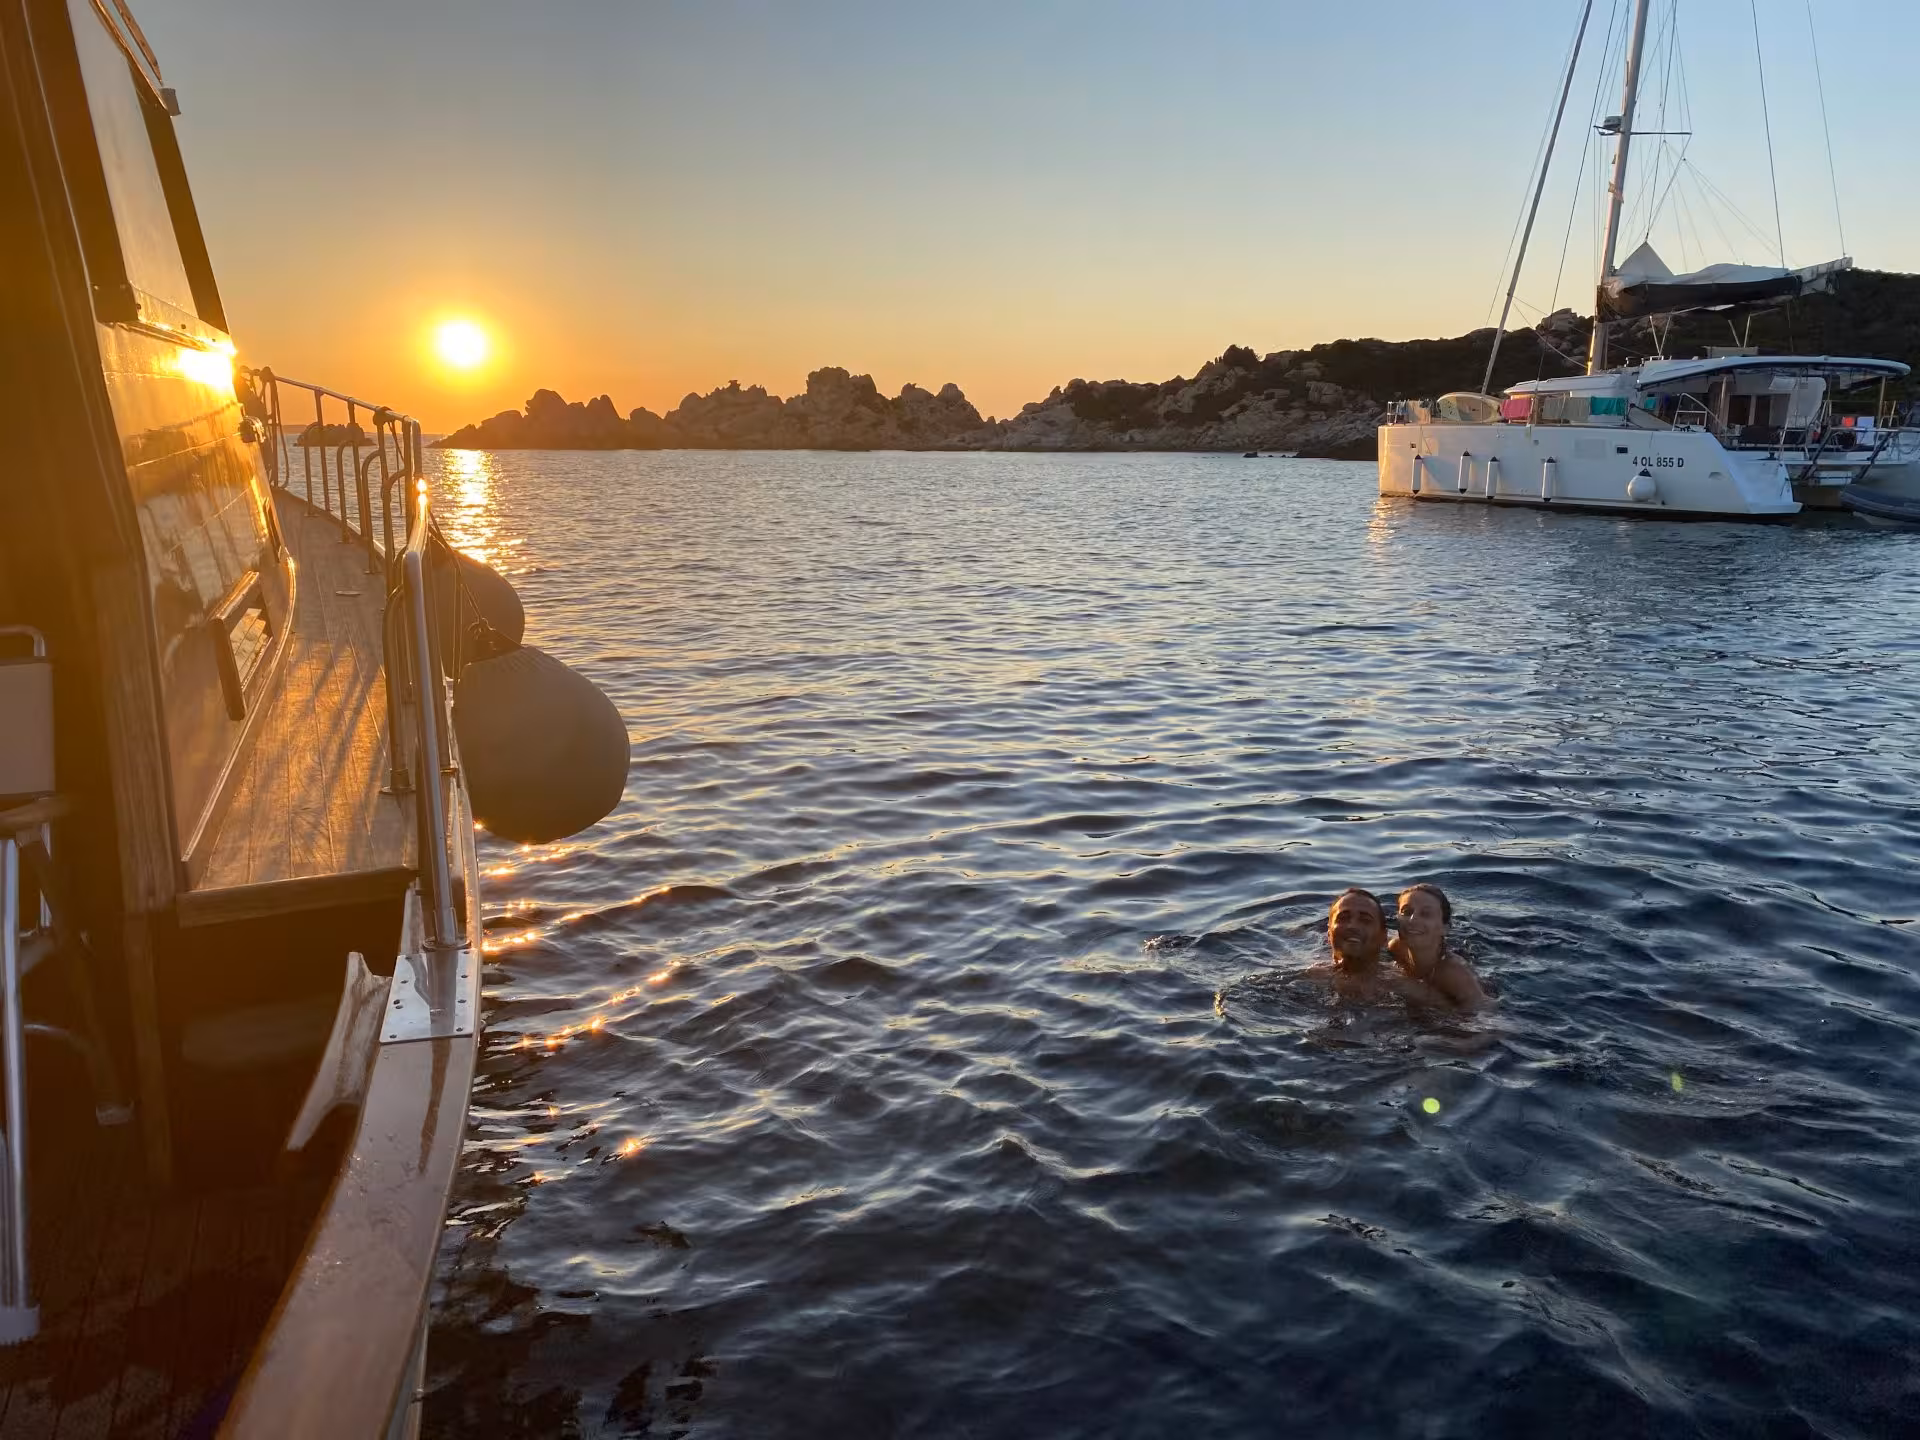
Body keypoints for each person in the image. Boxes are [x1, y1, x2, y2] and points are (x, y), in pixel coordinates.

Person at [1388, 883, 1487, 1012]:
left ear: (1445, 928)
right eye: (1406, 912)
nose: (1412, 920)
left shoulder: (1454, 974)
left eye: (1426, 914)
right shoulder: (1395, 948)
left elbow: (1487, 1017)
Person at [1301, 888, 1405, 1004]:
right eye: (1343, 918)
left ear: (1383, 937)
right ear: (1329, 932)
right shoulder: (1312, 978)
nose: (1353, 926)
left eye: (1365, 920)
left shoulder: (1403, 985)